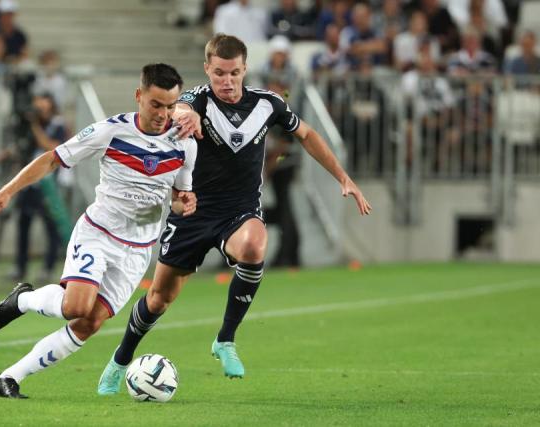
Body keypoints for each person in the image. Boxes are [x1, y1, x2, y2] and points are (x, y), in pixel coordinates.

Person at [97, 33, 371, 394]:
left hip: (239, 211)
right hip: (192, 213)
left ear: (245, 70)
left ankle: (225, 340)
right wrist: (184, 116)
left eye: (235, 73)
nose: (227, 81)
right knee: (159, 299)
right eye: (220, 73)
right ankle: (120, 360)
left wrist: (343, 177)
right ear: (208, 69)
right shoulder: (196, 100)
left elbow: (305, 134)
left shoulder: (268, 104)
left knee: (255, 245)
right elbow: (182, 107)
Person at [0, 63, 197, 399]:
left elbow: (179, 197)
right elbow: (52, 158)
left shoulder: (185, 145)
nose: (163, 113)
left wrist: (184, 203)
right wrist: (8, 190)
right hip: (99, 234)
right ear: (139, 96)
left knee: (89, 323)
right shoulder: (111, 131)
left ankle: (9, 377)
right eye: (155, 104)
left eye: (169, 106)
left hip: (137, 251)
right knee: (76, 306)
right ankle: (24, 299)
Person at [7, 94, 68, 284]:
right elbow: (21, 147)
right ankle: (20, 266)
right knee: (23, 224)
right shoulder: (29, 125)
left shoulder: (57, 125)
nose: (39, 107)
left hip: (48, 184)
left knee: (50, 226)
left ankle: (48, 266)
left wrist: (34, 126)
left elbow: (51, 147)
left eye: (43, 103)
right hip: (28, 185)